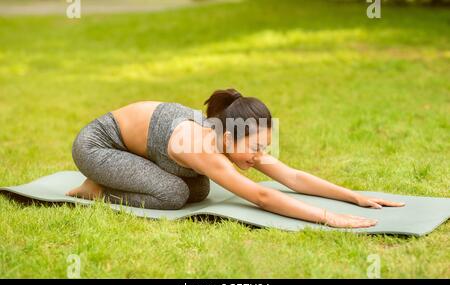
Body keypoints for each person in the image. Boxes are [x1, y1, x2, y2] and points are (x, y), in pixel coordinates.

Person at [66, 88, 405, 228]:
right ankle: (93, 189)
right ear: (228, 138)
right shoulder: (202, 146)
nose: (261, 155)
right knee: (174, 195)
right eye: (256, 147)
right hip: (100, 147)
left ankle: (122, 177)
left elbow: (293, 178)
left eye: (265, 146)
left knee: (200, 192)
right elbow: (260, 195)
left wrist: (352, 196)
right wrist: (330, 218)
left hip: (141, 149)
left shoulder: (233, 136)